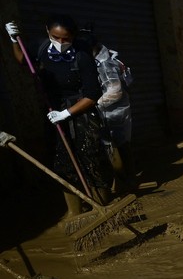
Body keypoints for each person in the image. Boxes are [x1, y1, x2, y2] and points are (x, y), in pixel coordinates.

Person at [4, 15, 112, 218]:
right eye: (56, 37)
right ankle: (74, 212)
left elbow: (93, 95)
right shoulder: (41, 47)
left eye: (66, 39)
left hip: (81, 111)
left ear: (73, 36)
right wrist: (13, 40)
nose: (61, 43)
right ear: (47, 31)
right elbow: (23, 61)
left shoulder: (82, 55)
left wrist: (66, 113)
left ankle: (100, 205)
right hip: (53, 110)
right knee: (62, 162)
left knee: (89, 158)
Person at [81, 31, 136, 195]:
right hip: (112, 110)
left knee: (117, 146)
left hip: (112, 112)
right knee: (118, 145)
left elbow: (114, 91)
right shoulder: (104, 58)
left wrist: (92, 103)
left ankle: (127, 181)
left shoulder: (106, 64)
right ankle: (126, 180)